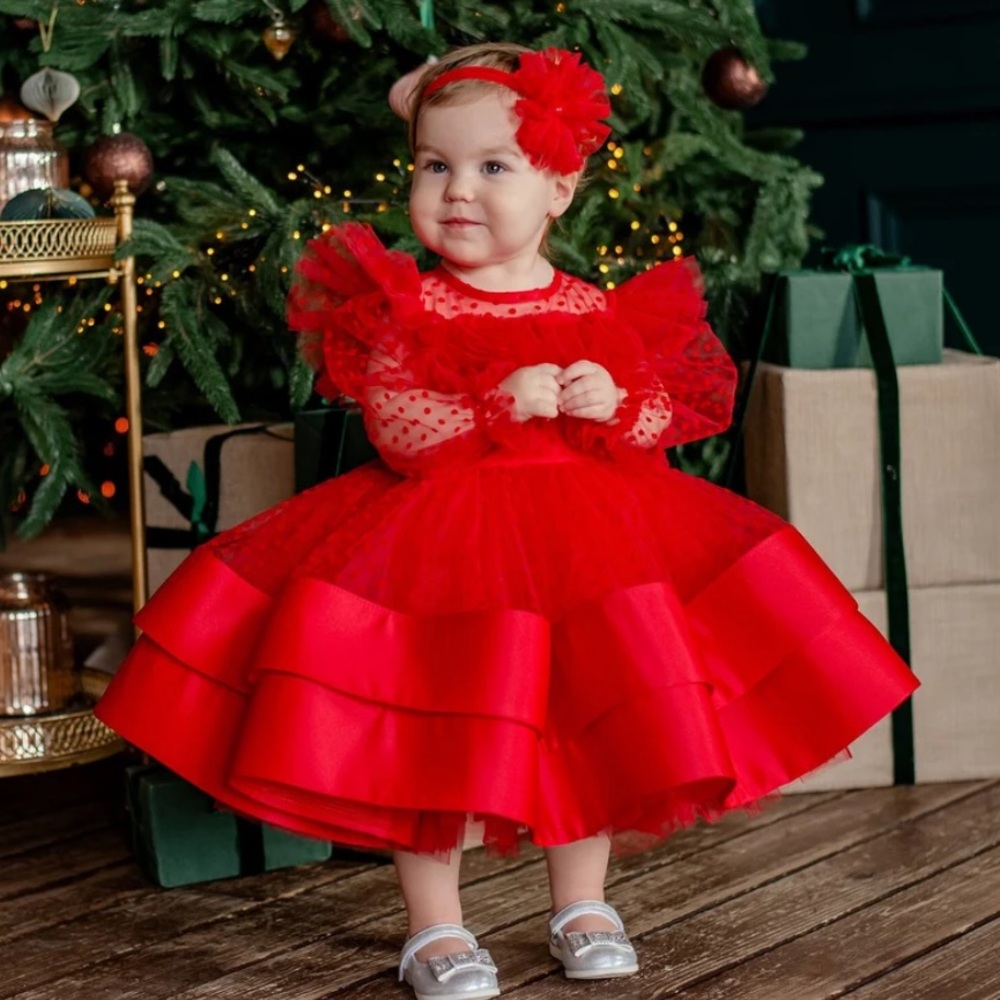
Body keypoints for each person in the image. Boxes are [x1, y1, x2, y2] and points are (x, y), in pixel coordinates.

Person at [96, 42, 918, 1000]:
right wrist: (496, 403)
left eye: (494, 166)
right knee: (431, 726)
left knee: (588, 714)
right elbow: (397, 427)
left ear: (559, 190)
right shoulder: (405, 304)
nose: (457, 190)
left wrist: (616, 400)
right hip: (439, 544)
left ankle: (582, 903)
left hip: (590, 544)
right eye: (433, 165)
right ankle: (435, 926)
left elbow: (657, 421)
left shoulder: (592, 304)